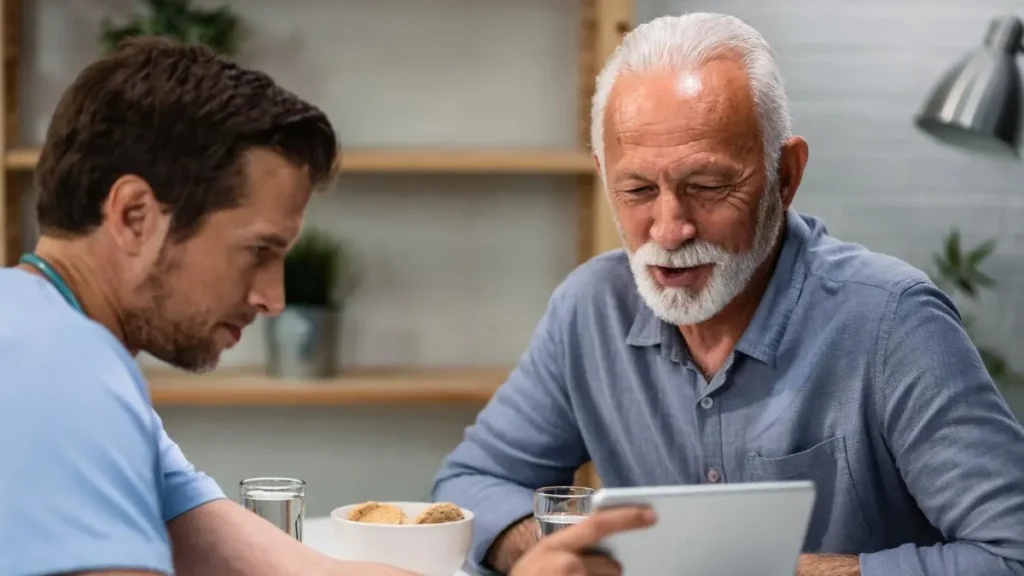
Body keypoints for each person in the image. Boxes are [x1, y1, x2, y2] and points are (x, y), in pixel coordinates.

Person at [432, 11, 1024, 576]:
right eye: (637, 190)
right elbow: (469, 485)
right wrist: (552, 552)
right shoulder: (590, 308)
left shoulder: (894, 322)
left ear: (785, 176)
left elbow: (1012, 554)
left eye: (709, 186)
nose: (668, 231)